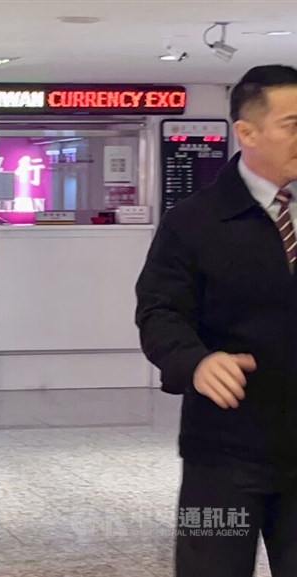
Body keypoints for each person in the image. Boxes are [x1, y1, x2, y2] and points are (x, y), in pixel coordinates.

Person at [135, 65, 297, 577]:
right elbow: (158, 311)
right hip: (224, 457)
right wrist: (196, 362)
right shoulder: (195, 221)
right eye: (293, 124)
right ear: (246, 132)